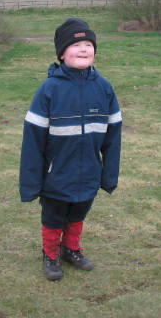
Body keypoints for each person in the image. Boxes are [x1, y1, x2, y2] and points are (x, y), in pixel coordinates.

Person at [19, 18, 122, 281]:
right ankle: (50, 253)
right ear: (62, 53)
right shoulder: (49, 89)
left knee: (79, 212)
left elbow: (113, 137)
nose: (84, 49)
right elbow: (32, 140)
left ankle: (71, 249)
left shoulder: (104, 88)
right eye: (76, 45)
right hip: (56, 174)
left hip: (89, 170)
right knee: (54, 216)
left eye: (88, 44)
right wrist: (31, 183)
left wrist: (108, 175)